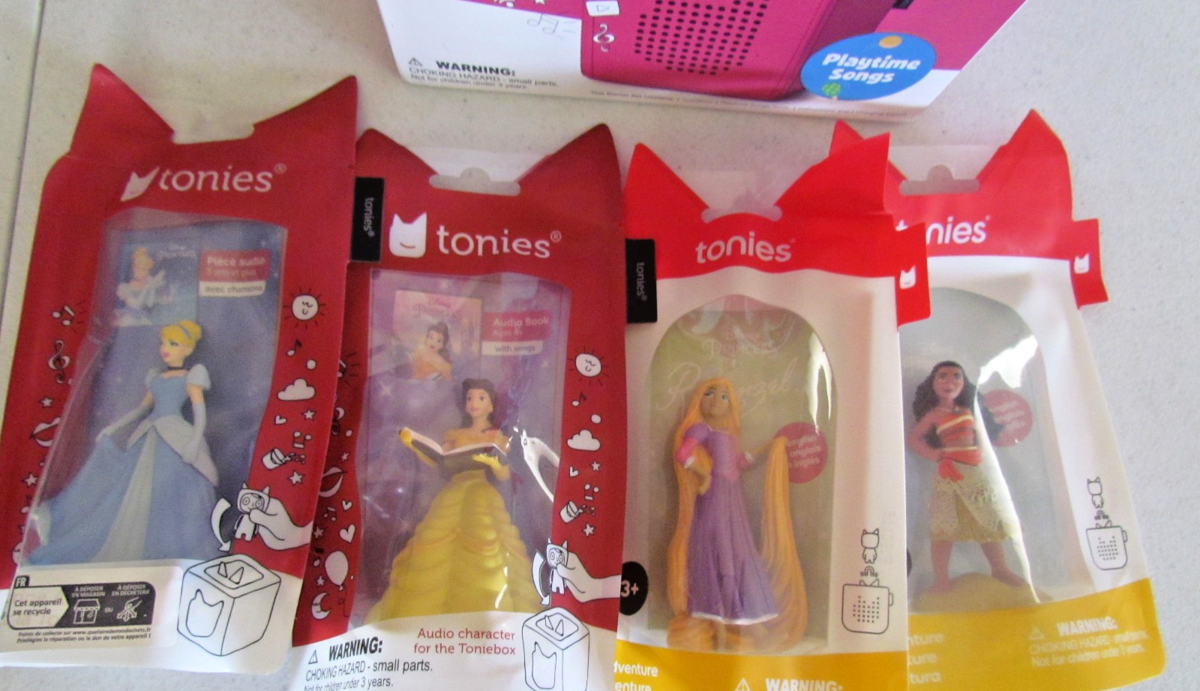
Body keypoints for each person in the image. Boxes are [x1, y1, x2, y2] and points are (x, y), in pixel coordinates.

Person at [30, 320, 218, 564]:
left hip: (174, 436)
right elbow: (141, 409)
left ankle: (166, 548)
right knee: (129, 489)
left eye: (173, 344)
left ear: (188, 349)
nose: (165, 349)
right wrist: (114, 427)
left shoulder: (191, 377)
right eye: (164, 343)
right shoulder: (156, 377)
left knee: (170, 492)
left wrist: (194, 442)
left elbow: (200, 413)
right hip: (149, 433)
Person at [369, 378, 540, 620]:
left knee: (486, 541)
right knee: (435, 543)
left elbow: (504, 475)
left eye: (480, 398)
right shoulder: (455, 434)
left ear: (491, 405)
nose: (474, 403)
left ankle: (490, 612)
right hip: (453, 492)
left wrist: (495, 463)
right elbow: (440, 460)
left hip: (481, 493)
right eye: (470, 398)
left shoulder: (497, 436)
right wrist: (415, 445)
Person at [667, 377, 805, 652]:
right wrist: (704, 474)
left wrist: (769, 446)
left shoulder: (727, 434)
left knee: (739, 555)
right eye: (709, 393)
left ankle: (741, 629)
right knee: (722, 557)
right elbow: (683, 453)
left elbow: (738, 462)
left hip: (732, 499)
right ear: (699, 398)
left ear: (731, 405)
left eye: (724, 396)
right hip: (716, 497)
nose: (716, 400)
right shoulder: (701, 428)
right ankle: (722, 632)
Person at [908, 361, 1025, 593]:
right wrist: (935, 454)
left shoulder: (967, 411)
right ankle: (941, 579)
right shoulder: (935, 414)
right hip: (949, 474)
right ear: (933, 383)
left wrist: (979, 451)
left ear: (964, 383)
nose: (949, 382)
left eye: (956, 376)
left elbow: (980, 434)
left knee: (987, 521)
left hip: (974, 472)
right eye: (942, 376)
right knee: (944, 527)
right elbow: (914, 439)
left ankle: (1000, 569)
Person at [115, 247, 167, 326]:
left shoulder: (147, 284)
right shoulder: (124, 287)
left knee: (151, 326)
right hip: (129, 319)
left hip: (141, 319)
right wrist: (146, 288)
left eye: (146, 270)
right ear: (134, 269)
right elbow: (135, 305)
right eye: (141, 269)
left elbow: (150, 303)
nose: (144, 273)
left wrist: (151, 288)